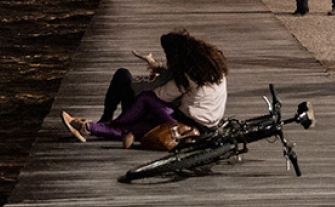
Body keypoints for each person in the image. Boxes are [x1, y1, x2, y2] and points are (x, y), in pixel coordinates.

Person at [62, 29, 229, 143]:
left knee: (146, 99)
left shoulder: (188, 76)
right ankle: (89, 127)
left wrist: (148, 83)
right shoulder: (214, 70)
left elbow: (162, 95)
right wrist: (159, 68)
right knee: (134, 129)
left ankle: (94, 125)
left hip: (186, 123)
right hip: (210, 124)